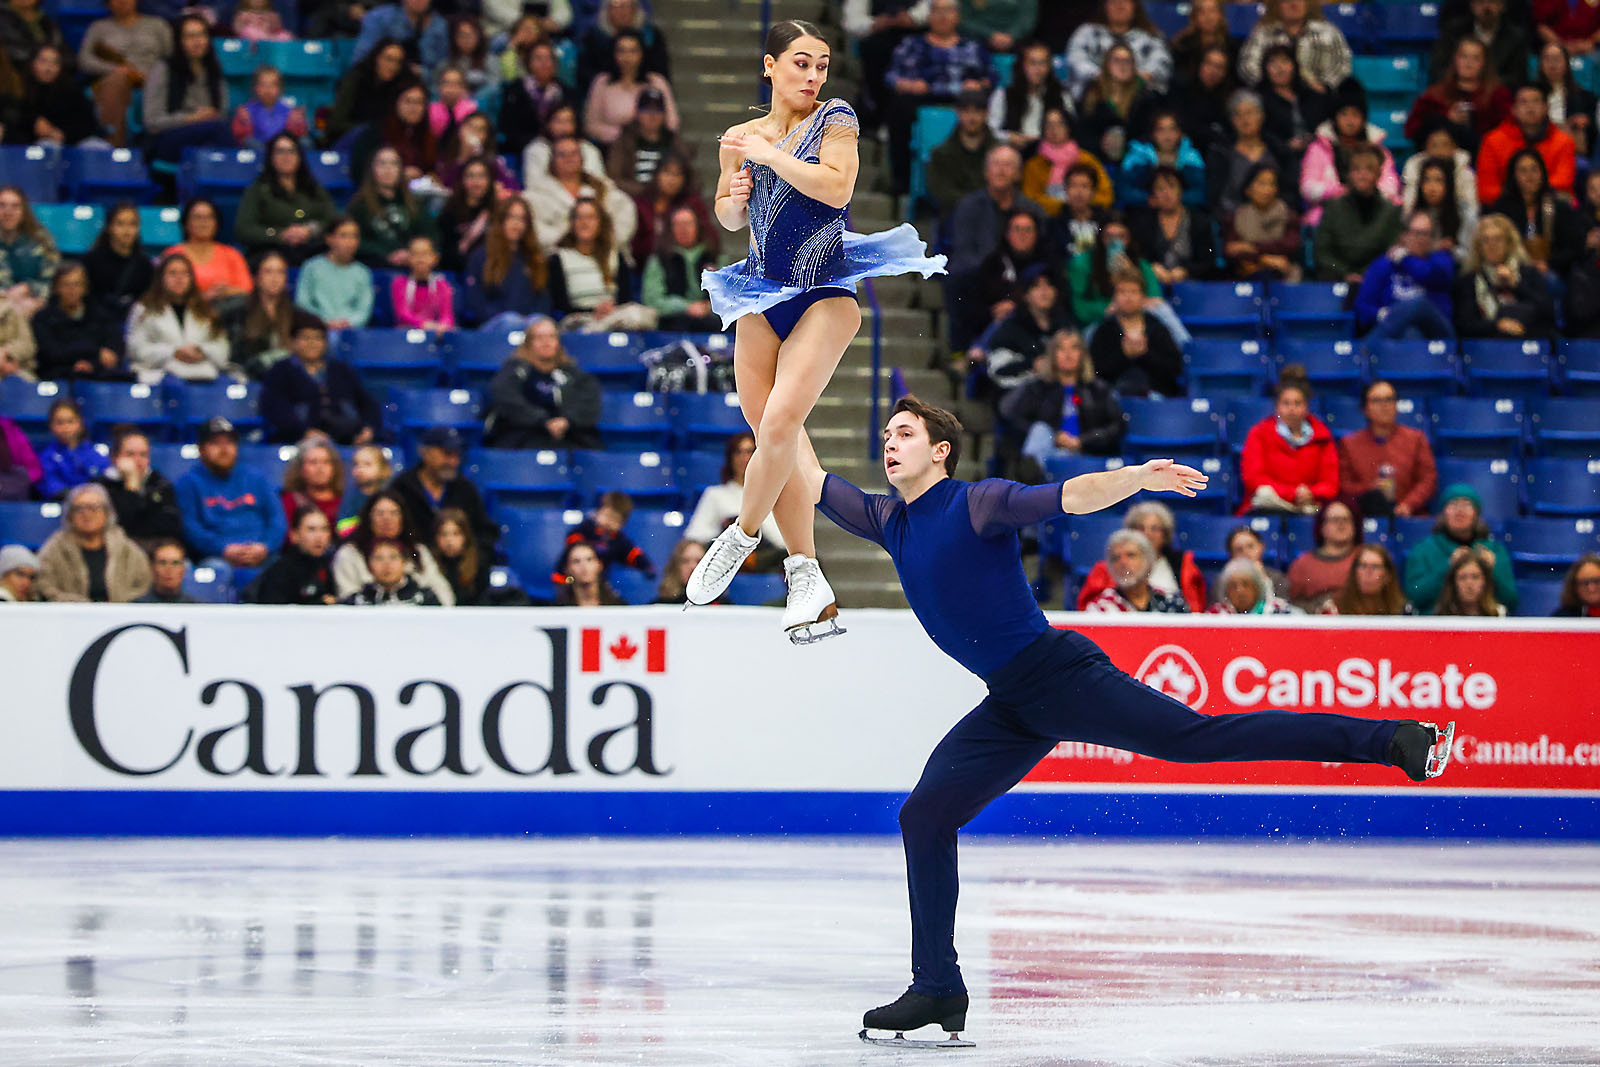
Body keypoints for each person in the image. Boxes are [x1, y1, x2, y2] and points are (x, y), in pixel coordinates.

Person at [790, 395, 1448, 1041]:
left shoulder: (976, 502)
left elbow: (1068, 495)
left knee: (1196, 738)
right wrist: (771, 394)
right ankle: (937, 984)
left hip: (1060, 674)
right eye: (886, 434)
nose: (889, 442)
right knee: (924, 814)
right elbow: (810, 474)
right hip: (1013, 702)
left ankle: (1392, 739)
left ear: (940, 451)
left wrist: (1135, 478)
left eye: (903, 433)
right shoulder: (890, 519)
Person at [687, 20, 947, 644]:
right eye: (801, 63)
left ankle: (742, 535)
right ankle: (805, 571)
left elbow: (836, 188)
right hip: (758, 292)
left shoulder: (836, 118)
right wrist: (738, 190)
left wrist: (771, 158)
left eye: (822, 65)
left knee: (778, 426)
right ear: (770, 66)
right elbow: (726, 214)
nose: (813, 76)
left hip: (824, 291)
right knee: (782, 446)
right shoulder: (739, 138)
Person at [883, 0, 993, 195]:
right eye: (937, 11)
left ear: (958, 16)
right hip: (921, 96)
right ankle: (901, 180)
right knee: (898, 107)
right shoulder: (911, 44)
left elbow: (992, 76)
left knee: (979, 103)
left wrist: (980, 84)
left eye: (948, 11)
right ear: (929, 15)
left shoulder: (973, 47)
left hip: (961, 98)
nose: (943, 16)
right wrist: (905, 84)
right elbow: (891, 76)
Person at [175, 417, 283, 585]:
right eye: (215, 443)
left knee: (284, 568)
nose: (224, 449)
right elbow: (191, 528)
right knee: (216, 571)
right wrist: (223, 549)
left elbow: (277, 520)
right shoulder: (189, 483)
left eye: (229, 443)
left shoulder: (256, 478)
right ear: (201, 449)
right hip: (216, 558)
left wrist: (265, 546)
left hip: (262, 554)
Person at [1002, 329, 1125, 474]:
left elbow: (1116, 426)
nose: (1068, 355)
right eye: (1061, 349)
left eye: (1074, 348)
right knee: (1040, 430)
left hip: (1086, 456)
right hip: (1048, 453)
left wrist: (1082, 441)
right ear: (1053, 355)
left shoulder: (1098, 390)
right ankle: (1033, 473)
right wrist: (1054, 437)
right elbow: (1015, 420)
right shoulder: (1036, 389)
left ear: (1083, 354)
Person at [484, 315, 602, 449]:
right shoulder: (515, 371)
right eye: (539, 337)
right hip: (523, 438)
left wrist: (566, 421)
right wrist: (543, 421)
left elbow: (589, 403)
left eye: (551, 337)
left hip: (567, 437)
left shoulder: (573, 374)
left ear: (558, 343)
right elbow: (506, 400)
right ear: (528, 343)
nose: (546, 342)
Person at [1403, 483, 1517, 614]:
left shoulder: (1495, 550)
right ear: (1443, 513)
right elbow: (1414, 596)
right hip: (1437, 624)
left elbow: (1511, 601)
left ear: (1476, 514)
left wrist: (1492, 572)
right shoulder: (1423, 549)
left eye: (1467, 505)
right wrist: (1448, 568)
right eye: (1453, 504)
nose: (1460, 511)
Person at [1077, 500, 1208, 611]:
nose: (1147, 533)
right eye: (1140, 527)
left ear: (1165, 534)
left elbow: (1194, 610)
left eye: (1154, 528)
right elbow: (1087, 613)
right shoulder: (1107, 568)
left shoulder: (1182, 563)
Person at [1300, 89, 1402, 231]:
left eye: (1355, 114)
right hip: (1329, 214)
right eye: (1344, 114)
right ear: (1335, 117)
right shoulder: (1317, 149)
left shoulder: (1379, 151)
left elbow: (1391, 186)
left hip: (1372, 211)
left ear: (1363, 118)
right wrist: (1339, 192)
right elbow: (1308, 187)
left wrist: (1364, 193)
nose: (1350, 121)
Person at [1240, 368, 1337, 514]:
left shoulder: (1322, 436)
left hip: (1310, 505)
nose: (1291, 409)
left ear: (1306, 407)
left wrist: (1310, 493)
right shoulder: (1259, 433)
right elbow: (1253, 478)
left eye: (1297, 403)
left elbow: (1331, 484)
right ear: (1277, 407)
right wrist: (1293, 493)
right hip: (1272, 504)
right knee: (1264, 494)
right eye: (1286, 403)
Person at [1337, 380, 1438, 520]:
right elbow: (1344, 486)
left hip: (1409, 515)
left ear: (1396, 406)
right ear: (1365, 408)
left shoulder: (1416, 439)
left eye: (1389, 399)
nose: (1384, 405)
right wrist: (1369, 488)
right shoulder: (1349, 444)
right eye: (1377, 400)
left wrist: (1408, 504)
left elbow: (1428, 479)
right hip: (1365, 517)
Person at [126, 253, 232, 385]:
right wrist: (173, 352)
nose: (179, 278)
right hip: (158, 378)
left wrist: (202, 351)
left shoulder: (206, 311)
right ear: (161, 278)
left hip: (203, 377)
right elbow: (136, 349)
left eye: (185, 273)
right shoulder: (144, 309)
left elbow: (222, 348)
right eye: (172, 273)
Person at [547, 197, 652, 330]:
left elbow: (625, 299)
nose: (584, 223)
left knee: (641, 315)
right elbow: (559, 304)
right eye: (579, 217)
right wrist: (594, 311)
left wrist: (610, 309)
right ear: (572, 223)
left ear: (601, 222)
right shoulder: (558, 259)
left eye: (590, 217)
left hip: (614, 318)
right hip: (578, 321)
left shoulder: (616, 257)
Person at [77, 0, 172, 147]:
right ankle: (112, 145)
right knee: (118, 80)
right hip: (113, 80)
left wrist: (154, 76)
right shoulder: (99, 27)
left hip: (151, 81)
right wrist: (113, 70)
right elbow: (84, 60)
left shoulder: (157, 25)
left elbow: (172, 58)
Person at [35, 482, 151, 602]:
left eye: (93, 508)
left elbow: (143, 585)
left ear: (107, 513)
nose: (87, 514)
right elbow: (43, 585)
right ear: (70, 515)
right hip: (68, 616)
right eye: (79, 508)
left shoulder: (127, 550)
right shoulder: (53, 549)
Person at [389, 426, 498, 554]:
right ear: (425, 452)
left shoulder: (465, 488)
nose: (453, 461)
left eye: (457, 455)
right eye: (447, 454)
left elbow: (484, 532)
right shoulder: (402, 487)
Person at [333, 488, 453, 603]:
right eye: (380, 513)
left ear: (403, 518)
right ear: (369, 518)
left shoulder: (418, 552)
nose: (387, 519)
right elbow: (346, 598)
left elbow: (442, 593)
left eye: (394, 513)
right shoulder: (349, 554)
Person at [235, 134, 337, 265]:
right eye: (280, 151)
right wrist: (279, 234)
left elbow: (332, 220)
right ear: (271, 157)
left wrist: (310, 231)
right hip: (271, 251)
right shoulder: (258, 189)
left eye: (292, 151)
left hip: (311, 250)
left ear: (299, 156)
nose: (286, 157)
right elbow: (244, 229)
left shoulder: (314, 188)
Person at [143, 15, 231, 166]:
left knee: (212, 145)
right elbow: (152, 122)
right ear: (179, 40)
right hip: (167, 138)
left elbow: (222, 112)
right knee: (217, 131)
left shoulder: (213, 69)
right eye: (190, 36)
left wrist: (209, 116)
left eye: (202, 35)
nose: (198, 42)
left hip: (206, 135)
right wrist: (192, 118)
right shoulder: (163, 69)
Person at [525, 134, 638, 252]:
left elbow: (624, 217)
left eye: (574, 153)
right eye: (562, 154)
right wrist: (570, 239)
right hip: (556, 257)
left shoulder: (604, 189)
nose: (568, 158)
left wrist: (601, 240)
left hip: (604, 254)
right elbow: (534, 229)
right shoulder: (536, 194)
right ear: (552, 161)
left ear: (582, 158)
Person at [684, 432, 787, 560]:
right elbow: (695, 534)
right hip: (725, 556)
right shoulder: (715, 494)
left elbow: (782, 541)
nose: (744, 458)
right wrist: (727, 528)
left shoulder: (773, 495)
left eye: (749, 452)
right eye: (738, 452)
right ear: (730, 458)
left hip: (764, 556)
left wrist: (752, 526)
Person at [1354, 213, 1455, 344]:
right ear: (1404, 235)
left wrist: (1405, 259)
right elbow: (1362, 306)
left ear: (1432, 238)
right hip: (1397, 334)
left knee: (1418, 304)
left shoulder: (1441, 260)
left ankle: (1363, 352)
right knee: (1409, 333)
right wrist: (1381, 313)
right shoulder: (1384, 264)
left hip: (1437, 333)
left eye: (1425, 234)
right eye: (1415, 233)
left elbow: (1427, 274)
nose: (1420, 239)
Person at [978, 268, 1072, 407]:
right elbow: (997, 371)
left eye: (1049, 285)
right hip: (1019, 399)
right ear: (1026, 294)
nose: (1044, 291)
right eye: (1036, 286)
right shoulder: (1011, 328)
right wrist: (1032, 364)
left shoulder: (1064, 325)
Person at [1453, 214, 1556, 340]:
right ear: (1479, 247)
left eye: (1498, 239)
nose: (1492, 245)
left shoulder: (1528, 273)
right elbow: (1464, 324)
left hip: (1530, 341)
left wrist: (1516, 285)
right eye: (1486, 240)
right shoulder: (1469, 280)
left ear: (1509, 243)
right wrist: (1497, 325)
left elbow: (1548, 312)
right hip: (1488, 346)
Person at [1488, 148, 1584, 278]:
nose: (1529, 175)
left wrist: (1548, 263)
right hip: (1512, 269)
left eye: (1534, 169)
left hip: (1552, 270)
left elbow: (1573, 247)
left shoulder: (1558, 206)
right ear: (1514, 175)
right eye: (1523, 170)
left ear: (1542, 173)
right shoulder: (1502, 209)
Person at [1407, 37, 1511, 156]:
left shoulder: (1498, 95)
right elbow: (1412, 130)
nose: (1469, 63)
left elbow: (1506, 132)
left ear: (1484, 63)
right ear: (1456, 59)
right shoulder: (1435, 94)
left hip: (1484, 156)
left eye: (1475, 58)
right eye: (1464, 56)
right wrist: (1447, 118)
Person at [1089, 268, 1183, 397]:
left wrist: (1145, 354)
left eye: (1133, 292)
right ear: (1114, 297)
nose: (1128, 297)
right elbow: (1095, 372)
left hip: (1155, 396)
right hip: (1113, 396)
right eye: (1122, 292)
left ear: (1143, 297)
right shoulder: (1105, 329)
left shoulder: (1157, 328)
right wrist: (1123, 355)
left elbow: (1174, 370)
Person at [1477, 83, 1577, 205]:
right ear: (1513, 109)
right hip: (1506, 206)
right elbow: (1486, 189)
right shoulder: (1493, 141)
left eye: (1535, 101)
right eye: (1523, 102)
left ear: (1546, 108)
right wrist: (1520, 196)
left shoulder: (1563, 141)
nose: (1530, 107)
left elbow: (1564, 182)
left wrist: (1530, 194)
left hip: (1550, 205)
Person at [462, 197, 550, 329]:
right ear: (501, 220)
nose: (516, 224)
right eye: (511, 217)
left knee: (541, 323)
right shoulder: (481, 256)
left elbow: (544, 300)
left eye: (522, 219)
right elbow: (475, 302)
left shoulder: (535, 258)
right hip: (493, 326)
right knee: (511, 321)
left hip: (529, 325)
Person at [584, 29, 677, 148]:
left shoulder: (656, 82)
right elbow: (591, 125)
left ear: (642, 53)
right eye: (621, 51)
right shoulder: (602, 82)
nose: (627, 57)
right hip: (611, 147)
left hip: (652, 146)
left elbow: (672, 122)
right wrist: (623, 136)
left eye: (633, 51)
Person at [95, 425, 182, 551]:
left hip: (156, 553)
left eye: (143, 454)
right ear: (115, 458)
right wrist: (132, 486)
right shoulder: (101, 488)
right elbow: (118, 528)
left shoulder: (161, 484)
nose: (138, 460)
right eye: (130, 454)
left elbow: (172, 528)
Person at [349, 146, 436, 270]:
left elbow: (430, 235)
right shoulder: (358, 205)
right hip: (374, 268)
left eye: (394, 164)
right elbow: (354, 240)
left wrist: (412, 253)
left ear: (400, 170)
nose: (388, 169)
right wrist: (386, 254)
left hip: (411, 269)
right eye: (382, 163)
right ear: (372, 169)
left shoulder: (414, 203)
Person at [1206, 90, 1291, 216]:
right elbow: (1216, 197)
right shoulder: (1221, 153)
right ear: (1232, 120)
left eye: (1250, 113)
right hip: (1233, 222)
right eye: (1238, 114)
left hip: (1276, 219)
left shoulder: (1278, 150)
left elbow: (1290, 191)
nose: (1245, 119)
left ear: (1261, 116)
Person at [1236, 0, 1351, 92]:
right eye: (1286, 1)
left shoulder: (1329, 32)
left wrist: (1326, 85)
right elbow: (1247, 66)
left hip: (1319, 95)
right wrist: (1270, 87)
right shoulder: (1262, 33)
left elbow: (1342, 64)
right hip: (1272, 98)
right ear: (1276, 5)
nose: (1294, 3)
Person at [1063, 0, 1171, 96]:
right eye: (1113, 1)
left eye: (1125, 1)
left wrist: (1134, 80)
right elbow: (1076, 60)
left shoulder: (1151, 36)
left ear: (1135, 6)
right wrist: (1102, 77)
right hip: (1096, 98)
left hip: (1141, 99)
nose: (1119, 5)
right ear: (1104, 6)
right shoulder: (1086, 32)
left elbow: (1161, 62)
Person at [1132, 167, 1218, 285]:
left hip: (1193, 283)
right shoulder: (1143, 222)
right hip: (1153, 282)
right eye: (1160, 188)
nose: (1167, 193)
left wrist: (1186, 271)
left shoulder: (1200, 221)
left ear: (1181, 190)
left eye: (1172, 186)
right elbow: (1139, 256)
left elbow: (1208, 261)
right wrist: (1151, 267)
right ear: (1153, 194)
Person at [162, 198, 252, 310]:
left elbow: (247, 290)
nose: (204, 223)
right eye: (198, 217)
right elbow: (163, 292)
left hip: (226, 313)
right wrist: (204, 297)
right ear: (186, 223)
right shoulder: (172, 254)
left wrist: (226, 291)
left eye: (209, 217)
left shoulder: (232, 255)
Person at [642, 205, 721, 332]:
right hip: (672, 322)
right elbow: (652, 300)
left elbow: (729, 296)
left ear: (698, 227)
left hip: (712, 320)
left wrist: (707, 307)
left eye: (687, 224)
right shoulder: (659, 260)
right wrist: (687, 307)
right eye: (677, 225)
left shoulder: (715, 257)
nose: (683, 229)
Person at [1401, 130, 1478, 260]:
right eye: (1426, 180)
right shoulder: (1411, 215)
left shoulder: (1464, 214)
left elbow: (1471, 256)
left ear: (1449, 184)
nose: (1432, 187)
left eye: (1438, 180)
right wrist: (1435, 248)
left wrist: (1450, 250)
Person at [928, 89, 1001, 219]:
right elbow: (940, 191)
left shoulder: (999, 153)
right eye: (966, 111)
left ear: (986, 113)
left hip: (994, 213)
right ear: (958, 113)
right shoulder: (941, 154)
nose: (972, 117)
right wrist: (971, 204)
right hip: (955, 214)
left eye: (977, 111)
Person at [575, 0, 671, 99]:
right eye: (616, 5)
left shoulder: (651, 37)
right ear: (607, 10)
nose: (622, 11)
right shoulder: (593, 39)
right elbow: (585, 76)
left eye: (627, 5)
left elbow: (661, 71)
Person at [1222, 164, 1302, 282]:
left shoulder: (1289, 216)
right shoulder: (1236, 217)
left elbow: (1289, 246)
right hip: (1246, 274)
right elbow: (1231, 250)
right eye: (1261, 184)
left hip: (1282, 273)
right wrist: (1264, 259)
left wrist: (1251, 247)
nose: (1267, 190)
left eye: (1272, 184)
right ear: (1248, 189)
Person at [11, 43, 101, 146]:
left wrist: (63, 134)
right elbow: (15, 123)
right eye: (43, 61)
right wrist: (35, 124)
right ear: (32, 63)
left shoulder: (72, 91)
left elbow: (88, 124)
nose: (48, 68)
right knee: (48, 146)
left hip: (73, 142)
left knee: (97, 146)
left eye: (55, 63)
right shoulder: (19, 89)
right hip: (33, 146)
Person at [326, 39, 410, 148]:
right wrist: (368, 130)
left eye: (398, 62)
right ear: (377, 58)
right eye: (388, 59)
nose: (393, 66)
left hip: (383, 144)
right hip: (349, 139)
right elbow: (336, 123)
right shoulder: (356, 79)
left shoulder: (399, 86)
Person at [988, 39, 1067, 154]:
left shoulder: (1060, 94)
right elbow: (991, 130)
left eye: (1043, 63)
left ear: (1049, 67)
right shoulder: (1004, 94)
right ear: (1022, 65)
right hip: (1013, 151)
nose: (1038, 69)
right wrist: (1009, 137)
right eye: (1033, 63)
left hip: (1049, 153)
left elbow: (1070, 128)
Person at [294, 216, 373, 330]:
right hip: (317, 330)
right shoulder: (311, 267)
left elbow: (364, 310)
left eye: (354, 236)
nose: (350, 242)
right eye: (343, 236)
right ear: (329, 239)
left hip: (351, 331)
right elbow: (303, 303)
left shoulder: (363, 273)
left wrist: (347, 323)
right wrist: (324, 321)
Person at [249, 504, 338, 605]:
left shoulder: (327, 566)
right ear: (294, 535)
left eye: (324, 529)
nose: (319, 536)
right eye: (311, 529)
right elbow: (275, 613)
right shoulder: (280, 571)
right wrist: (318, 603)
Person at [226, 251, 296, 379]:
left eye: (280, 272)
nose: (275, 278)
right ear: (257, 277)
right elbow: (235, 357)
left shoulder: (296, 314)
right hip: (249, 376)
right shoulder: (240, 311)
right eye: (268, 272)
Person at [352, 81, 436, 185]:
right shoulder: (374, 134)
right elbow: (359, 171)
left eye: (419, 102)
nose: (414, 107)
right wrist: (397, 175)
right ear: (396, 103)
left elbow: (433, 171)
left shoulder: (429, 137)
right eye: (408, 101)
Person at [1119, 110, 1206, 209]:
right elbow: (1125, 191)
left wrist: (1173, 200)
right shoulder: (1138, 157)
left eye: (1172, 129)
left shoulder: (1191, 158)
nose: (1167, 136)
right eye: (1161, 130)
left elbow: (1201, 193)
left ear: (1180, 134)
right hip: (1143, 213)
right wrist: (1151, 199)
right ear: (1153, 134)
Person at [1431, 0, 1529, 88]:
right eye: (1481, 2)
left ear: (1502, 6)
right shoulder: (1453, 32)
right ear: (1472, 5)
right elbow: (1439, 69)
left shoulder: (1516, 37)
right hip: (1456, 92)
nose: (1486, 7)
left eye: (1492, 2)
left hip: (1498, 95)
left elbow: (1517, 77)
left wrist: (1482, 85)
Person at [1287, 498, 1361, 611]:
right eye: (1335, 520)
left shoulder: (1366, 558)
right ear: (1322, 527)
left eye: (1346, 519)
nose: (1341, 524)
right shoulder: (1302, 564)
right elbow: (1291, 603)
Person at [500, 39, 568, 161]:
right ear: (528, 63)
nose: (544, 63)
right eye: (538, 58)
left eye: (548, 58)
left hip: (560, 149)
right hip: (522, 150)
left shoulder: (565, 92)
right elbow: (508, 127)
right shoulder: (514, 90)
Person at [1259, 44, 1331, 159]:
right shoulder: (1260, 99)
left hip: (1316, 153)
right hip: (1278, 156)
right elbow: (1263, 134)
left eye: (1285, 61)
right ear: (1265, 69)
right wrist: (1285, 147)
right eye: (1272, 63)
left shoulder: (1310, 95)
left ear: (1294, 66)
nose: (1279, 68)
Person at [83, 202, 151, 321]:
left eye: (132, 224)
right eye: (120, 224)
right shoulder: (91, 261)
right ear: (109, 227)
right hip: (97, 325)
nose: (127, 230)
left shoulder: (145, 265)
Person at [605, 87, 677, 200]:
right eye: (647, 109)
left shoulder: (674, 142)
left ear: (664, 115)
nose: (652, 115)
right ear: (637, 113)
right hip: (633, 200)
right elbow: (615, 178)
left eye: (657, 110)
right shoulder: (623, 142)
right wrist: (646, 192)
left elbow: (690, 178)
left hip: (670, 201)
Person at [565, 490, 656, 578]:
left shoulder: (618, 539)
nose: (609, 523)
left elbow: (632, 554)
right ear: (599, 511)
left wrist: (647, 566)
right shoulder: (585, 529)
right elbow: (573, 545)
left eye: (615, 520)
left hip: (600, 583)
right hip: (572, 580)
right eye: (608, 516)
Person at [0, 183, 57, 316]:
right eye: (2, 205)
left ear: (24, 211)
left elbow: (53, 281)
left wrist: (28, 288)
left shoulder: (41, 239)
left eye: (15, 206)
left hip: (33, 303)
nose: (8, 212)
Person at [351, 0, 448, 76]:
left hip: (422, 86)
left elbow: (442, 69)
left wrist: (424, 73)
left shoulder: (439, 25)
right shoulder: (378, 18)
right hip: (380, 79)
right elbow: (360, 60)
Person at [1536, 41, 1596, 158]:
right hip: (1538, 146)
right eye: (1547, 59)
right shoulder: (1530, 93)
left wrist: (1583, 122)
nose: (1552, 64)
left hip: (1569, 148)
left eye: (1557, 59)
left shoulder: (1584, 97)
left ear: (1566, 63)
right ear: (1540, 64)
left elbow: (1592, 133)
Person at [341, 539, 444, 605]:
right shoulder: (356, 601)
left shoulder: (426, 598)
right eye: (379, 558)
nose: (386, 564)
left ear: (404, 563)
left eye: (393, 557)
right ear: (369, 566)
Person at [37, 398, 102, 502]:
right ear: (51, 426)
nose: (65, 427)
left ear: (80, 423)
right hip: (61, 505)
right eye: (59, 422)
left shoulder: (94, 453)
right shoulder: (47, 456)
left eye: (70, 421)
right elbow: (51, 487)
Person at [231, 66, 307, 149]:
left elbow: (299, 134)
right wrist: (245, 123)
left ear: (281, 88)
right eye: (263, 85)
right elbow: (240, 136)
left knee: (304, 142)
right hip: (258, 151)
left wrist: (295, 124)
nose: (268, 89)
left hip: (282, 151)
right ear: (255, 88)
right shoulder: (245, 112)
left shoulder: (290, 112)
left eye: (273, 85)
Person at [390, 235, 454, 332]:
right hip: (404, 335)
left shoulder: (442, 285)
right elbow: (402, 313)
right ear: (408, 258)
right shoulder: (399, 283)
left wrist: (444, 325)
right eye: (415, 254)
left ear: (435, 258)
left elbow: (447, 315)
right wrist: (424, 324)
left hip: (433, 334)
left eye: (425, 253)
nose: (420, 258)